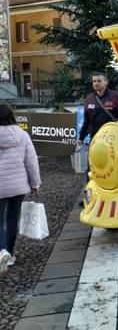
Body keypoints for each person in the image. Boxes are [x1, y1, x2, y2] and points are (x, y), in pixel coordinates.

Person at [0, 104, 41, 273]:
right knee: (11, 220)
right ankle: (9, 254)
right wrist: (35, 183)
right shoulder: (22, 135)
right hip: (18, 186)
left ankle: (2, 251)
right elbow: (31, 161)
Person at [77, 72, 118, 146]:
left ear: (106, 82)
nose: (96, 83)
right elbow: (86, 121)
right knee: (93, 157)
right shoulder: (89, 98)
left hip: (113, 138)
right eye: (94, 81)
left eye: (99, 81)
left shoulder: (117, 96)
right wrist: (81, 138)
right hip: (95, 138)